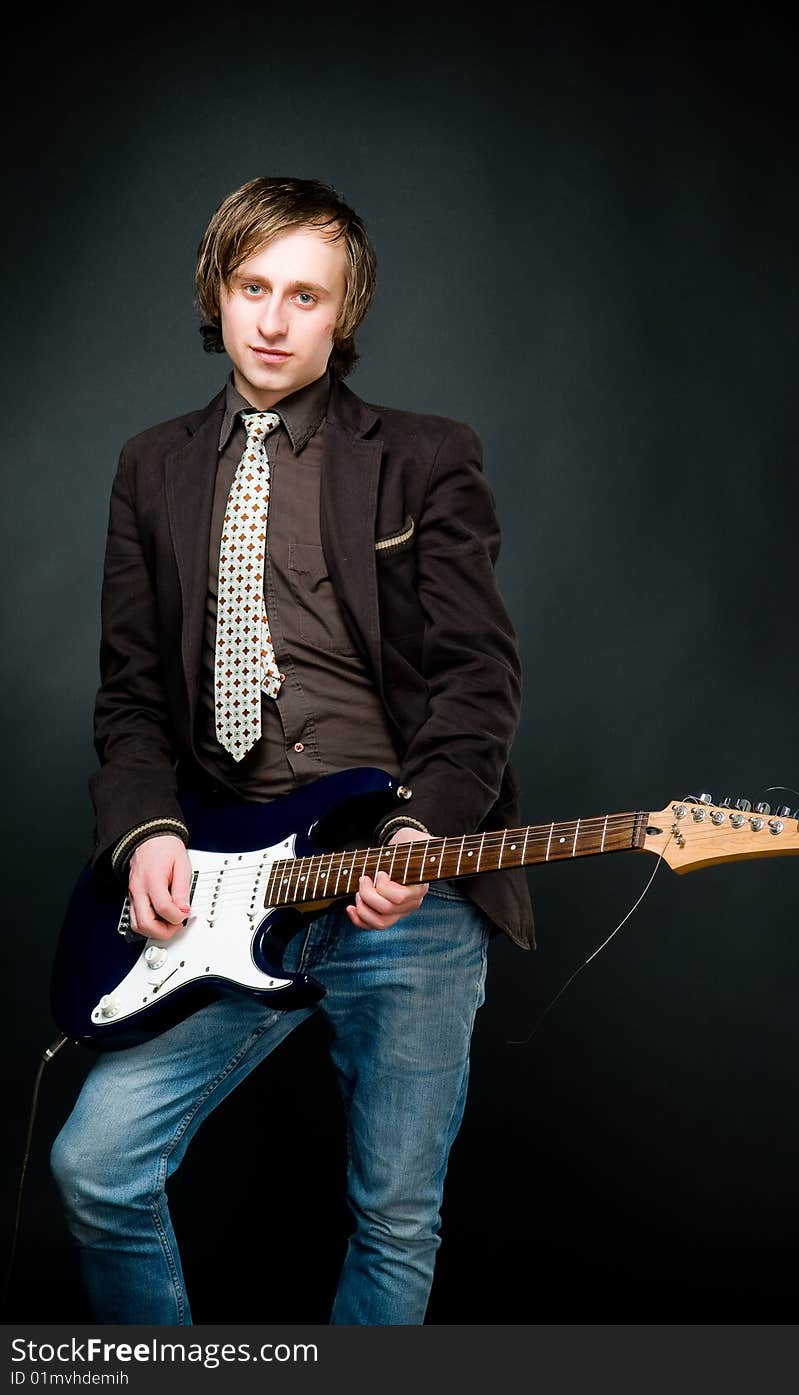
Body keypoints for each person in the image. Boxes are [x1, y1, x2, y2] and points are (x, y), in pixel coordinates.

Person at [50, 176, 534, 1325]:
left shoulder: (425, 457)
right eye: (252, 286)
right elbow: (129, 695)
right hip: (231, 882)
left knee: (394, 1215)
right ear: (217, 294)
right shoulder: (151, 466)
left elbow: (478, 678)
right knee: (96, 1166)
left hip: (400, 882)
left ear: (344, 313)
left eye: (304, 295)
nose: (272, 320)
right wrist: (147, 833)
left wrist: (422, 833)